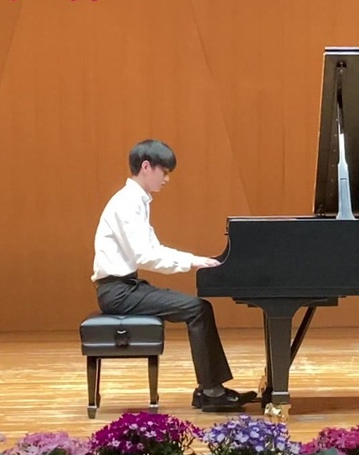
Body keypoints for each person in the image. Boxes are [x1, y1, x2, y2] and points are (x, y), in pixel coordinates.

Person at [91, 139, 257, 412]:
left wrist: (193, 259)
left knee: (199, 308)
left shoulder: (136, 200)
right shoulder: (127, 203)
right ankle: (211, 392)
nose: (167, 179)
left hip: (126, 287)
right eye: (164, 171)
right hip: (118, 292)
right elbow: (146, 255)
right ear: (146, 167)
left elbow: (152, 248)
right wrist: (192, 262)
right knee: (197, 309)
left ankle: (209, 389)